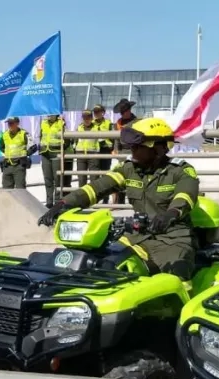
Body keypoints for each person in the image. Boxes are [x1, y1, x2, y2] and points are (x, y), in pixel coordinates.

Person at [38, 118, 200, 280]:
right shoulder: (129, 169)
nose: (132, 151)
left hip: (172, 239)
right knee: (102, 265)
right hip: (136, 236)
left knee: (175, 277)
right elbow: (96, 188)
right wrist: (63, 203)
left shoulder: (180, 171)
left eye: (138, 147)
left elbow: (185, 196)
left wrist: (171, 213)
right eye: (131, 147)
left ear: (158, 149)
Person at [0, 117, 37, 190]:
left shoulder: (24, 134)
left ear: (17, 123)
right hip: (7, 166)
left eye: (11, 123)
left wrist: (25, 154)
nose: (10, 125)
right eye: (8, 123)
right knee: (6, 191)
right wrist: (9, 153)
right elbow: (0, 146)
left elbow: (34, 147)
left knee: (20, 190)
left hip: (19, 166)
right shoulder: (4, 135)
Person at [112, 98, 139, 205]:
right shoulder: (117, 124)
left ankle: (135, 201)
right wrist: (116, 150)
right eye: (122, 112)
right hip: (122, 152)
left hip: (134, 151)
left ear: (129, 110)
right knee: (121, 176)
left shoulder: (137, 122)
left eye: (125, 110)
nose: (124, 113)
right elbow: (116, 139)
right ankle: (120, 201)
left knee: (134, 176)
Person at [39, 114, 69, 207]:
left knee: (57, 179)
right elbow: (41, 136)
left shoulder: (61, 122)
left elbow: (67, 138)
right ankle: (49, 202)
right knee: (48, 179)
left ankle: (57, 201)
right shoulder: (43, 122)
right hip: (45, 153)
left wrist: (62, 148)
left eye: (51, 113)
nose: (48, 115)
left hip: (56, 153)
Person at [91, 104, 115, 205]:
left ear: (103, 112)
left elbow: (114, 138)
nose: (96, 114)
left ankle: (105, 198)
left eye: (98, 111)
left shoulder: (108, 123)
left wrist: (112, 149)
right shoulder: (90, 123)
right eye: (95, 112)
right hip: (94, 151)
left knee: (105, 175)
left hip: (105, 150)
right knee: (94, 175)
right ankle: (95, 197)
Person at [73, 110, 102, 188]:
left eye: (88, 117)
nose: (86, 119)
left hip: (93, 155)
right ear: (82, 118)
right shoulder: (79, 128)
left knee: (94, 179)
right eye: (84, 117)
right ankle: (83, 198)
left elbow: (101, 141)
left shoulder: (97, 128)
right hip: (81, 155)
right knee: (81, 179)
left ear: (91, 118)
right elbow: (75, 141)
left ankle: (94, 198)